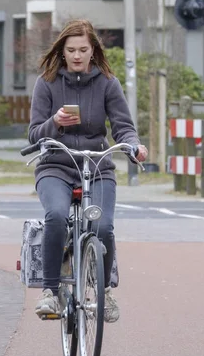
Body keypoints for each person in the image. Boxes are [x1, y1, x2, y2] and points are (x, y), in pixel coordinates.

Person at [28, 19, 148, 322]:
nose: (77, 55)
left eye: (83, 49)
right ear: (63, 52)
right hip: (56, 165)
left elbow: (124, 128)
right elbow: (33, 134)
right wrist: (54, 122)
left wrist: (134, 148)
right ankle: (50, 292)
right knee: (55, 216)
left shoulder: (108, 83)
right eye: (71, 50)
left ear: (93, 50)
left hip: (97, 167)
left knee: (103, 227)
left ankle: (105, 293)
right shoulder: (47, 82)